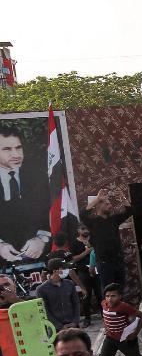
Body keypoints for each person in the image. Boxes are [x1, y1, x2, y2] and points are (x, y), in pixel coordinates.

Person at [0, 125, 52, 263]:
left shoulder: (39, 175)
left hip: (40, 260)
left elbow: (52, 211)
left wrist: (42, 239)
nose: (16, 155)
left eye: (18, 147)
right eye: (7, 149)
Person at [35, 258, 81, 331]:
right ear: (55, 271)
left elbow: (76, 303)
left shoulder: (70, 284)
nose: (67, 270)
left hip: (73, 326)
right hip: (54, 329)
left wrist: (75, 322)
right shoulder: (41, 289)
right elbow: (45, 311)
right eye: (64, 268)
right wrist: (60, 327)